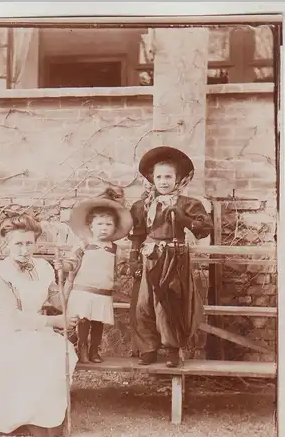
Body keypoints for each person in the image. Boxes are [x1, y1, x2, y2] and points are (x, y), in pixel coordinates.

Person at [0, 213, 78, 437]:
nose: (24, 250)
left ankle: (45, 419)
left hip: (38, 328)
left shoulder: (43, 267)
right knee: (24, 355)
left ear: (36, 242)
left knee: (60, 353)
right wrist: (54, 321)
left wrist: (67, 278)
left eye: (29, 243)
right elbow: (11, 316)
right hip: (10, 329)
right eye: (18, 244)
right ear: (7, 244)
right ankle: (21, 419)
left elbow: (58, 302)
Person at [128, 146, 213, 367]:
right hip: (149, 257)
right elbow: (137, 234)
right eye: (159, 177)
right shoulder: (143, 205)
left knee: (169, 303)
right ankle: (148, 349)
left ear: (177, 179)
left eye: (168, 176)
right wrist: (133, 258)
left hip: (174, 258)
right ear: (151, 179)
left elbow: (205, 228)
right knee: (142, 303)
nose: (163, 181)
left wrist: (183, 220)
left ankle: (173, 349)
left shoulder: (187, 204)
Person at [55, 186, 133, 364]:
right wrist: (63, 265)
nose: (104, 228)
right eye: (99, 224)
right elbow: (72, 264)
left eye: (108, 224)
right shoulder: (84, 245)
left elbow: (121, 268)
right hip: (83, 291)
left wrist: (132, 269)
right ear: (91, 226)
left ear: (115, 228)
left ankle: (94, 350)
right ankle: (82, 347)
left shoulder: (115, 249)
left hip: (103, 292)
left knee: (98, 323)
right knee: (83, 321)